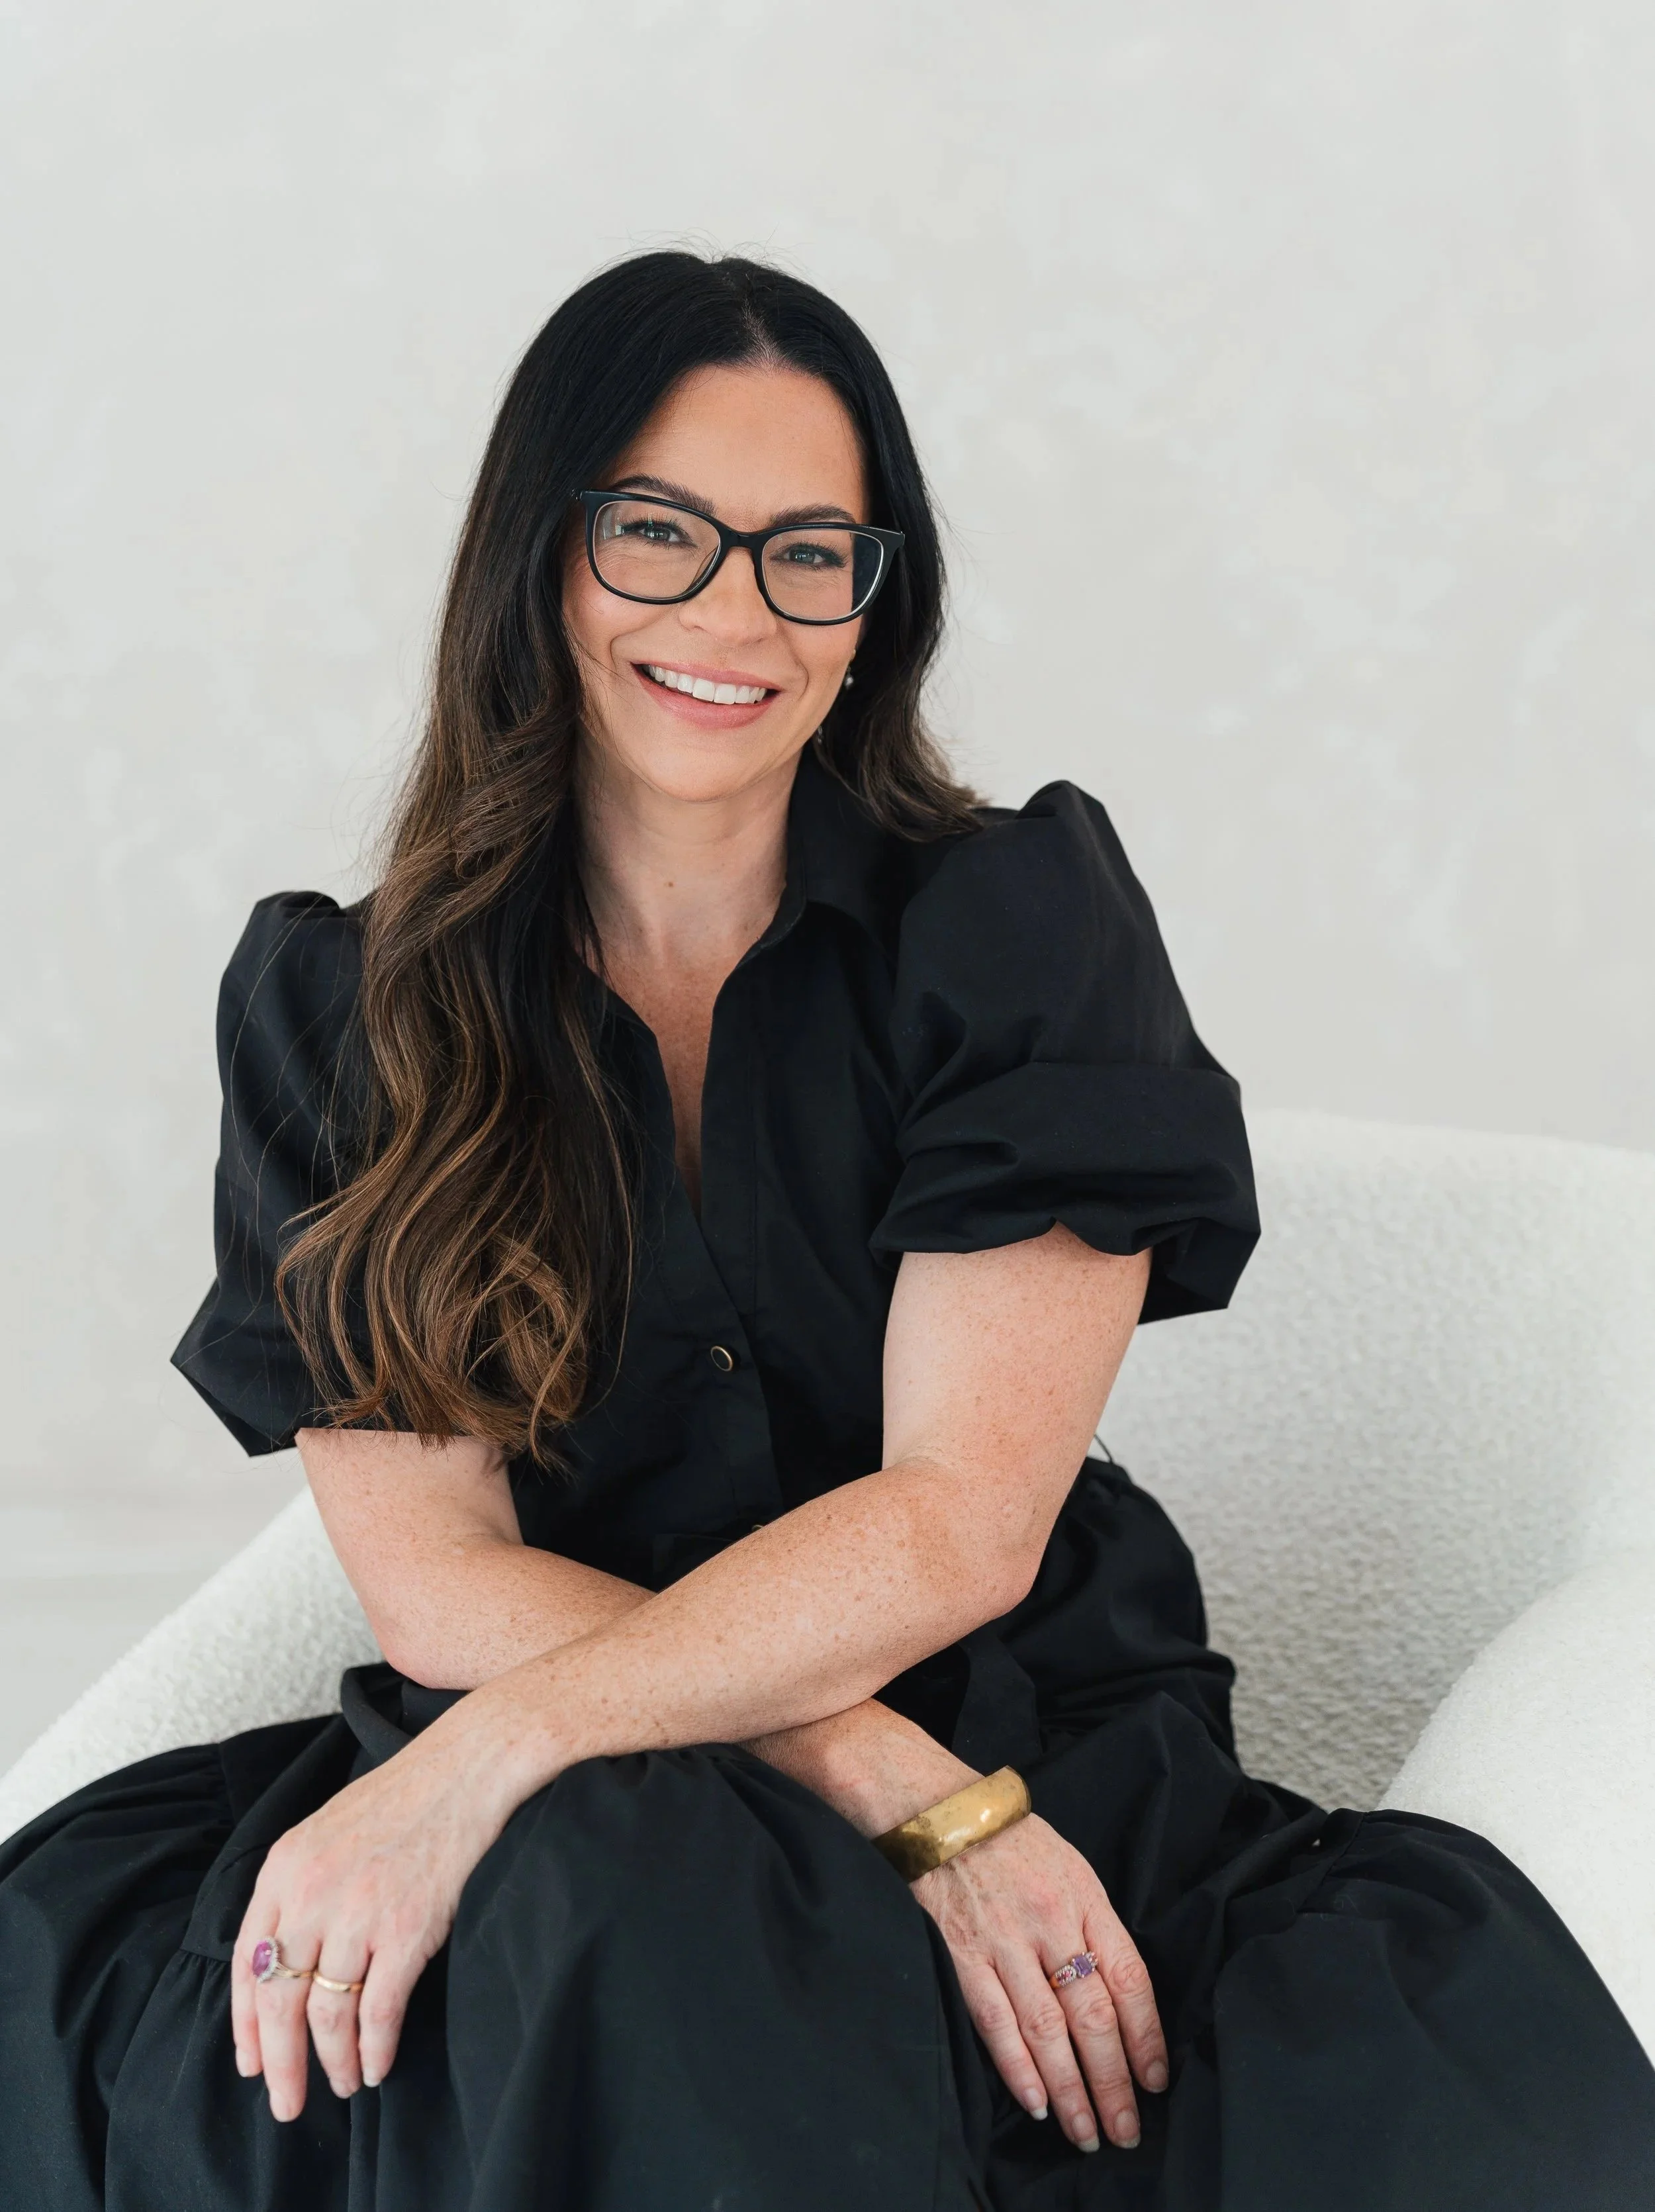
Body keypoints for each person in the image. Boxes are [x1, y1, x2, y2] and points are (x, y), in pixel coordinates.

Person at [1, 251, 1650, 2212]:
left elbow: (960, 1516)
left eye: (809, 551)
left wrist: (941, 1797)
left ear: (875, 605)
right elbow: (437, 1577)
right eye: (659, 533)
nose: (735, 610)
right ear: (539, 559)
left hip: (1011, 1722)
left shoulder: (1013, 929)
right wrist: (888, 1792)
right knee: (596, 1905)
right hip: (585, 1779)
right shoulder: (339, 1009)